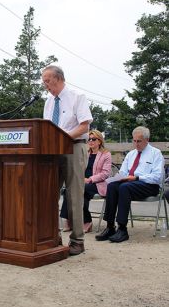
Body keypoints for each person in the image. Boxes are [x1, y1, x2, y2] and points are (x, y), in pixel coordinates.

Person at [42, 65, 93, 255]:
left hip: (74, 147)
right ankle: (53, 236)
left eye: (47, 80)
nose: (45, 84)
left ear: (58, 78)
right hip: (52, 151)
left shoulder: (77, 96)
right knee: (49, 193)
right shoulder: (48, 101)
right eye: (43, 80)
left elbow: (84, 126)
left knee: (74, 196)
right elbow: (46, 127)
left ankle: (77, 241)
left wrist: (63, 138)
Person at [96, 126, 164, 243]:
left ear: (147, 140)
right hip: (130, 183)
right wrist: (120, 177)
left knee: (124, 187)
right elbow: (123, 172)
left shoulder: (156, 153)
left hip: (148, 185)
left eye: (139, 141)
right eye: (134, 141)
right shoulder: (131, 154)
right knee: (112, 186)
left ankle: (122, 229)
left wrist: (137, 177)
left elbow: (157, 177)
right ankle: (110, 226)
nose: (136, 144)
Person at [60, 129, 112, 233]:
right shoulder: (85, 153)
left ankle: (87, 221)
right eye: (89, 139)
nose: (91, 141)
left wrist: (90, 179)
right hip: (82, 182)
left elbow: (105, 173)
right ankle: (70, 219)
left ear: (99, 141)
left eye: (93, 139)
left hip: (97, 184)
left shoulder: (106, 154)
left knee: (79, 189)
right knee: (69, 190)